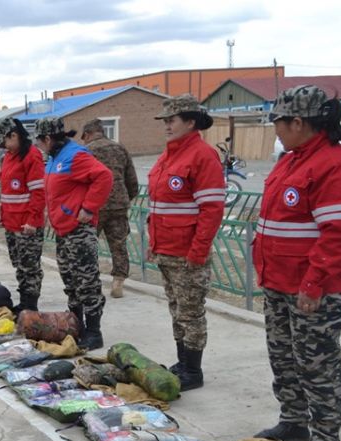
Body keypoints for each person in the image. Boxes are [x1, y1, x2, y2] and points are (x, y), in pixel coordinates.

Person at [252, 85, 341, 441]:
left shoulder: (335, 165)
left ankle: (325, 436)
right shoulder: (290, 160)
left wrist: (314, 283)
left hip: (310, 287)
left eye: (277, 122)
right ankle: (294, 421)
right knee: (283, 357)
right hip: (278, 281)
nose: (275, 130)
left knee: (317, 363)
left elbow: (338, 234)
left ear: (298, 122)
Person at [147, 94, 225, 391]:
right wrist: (153, 243)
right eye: (165, 121)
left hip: (188, 253)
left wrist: (198, 251)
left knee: (191, 313)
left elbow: (211, 210)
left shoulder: (202, 156)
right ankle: (182, 362)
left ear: (191, 122)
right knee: (176, 309)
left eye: (172, 120)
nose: (167, 126)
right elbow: (159, 205)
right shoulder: (168, 155)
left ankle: (193, 370)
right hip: (166, 250)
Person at [35, 116, 112, 350]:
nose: (38, 145)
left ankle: (94, 332)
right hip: (63, 230)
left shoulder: (75, 156)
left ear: (48, 139)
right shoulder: (54, 158)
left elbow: (104, 176)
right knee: (70, 281)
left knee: (86, 281)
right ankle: (77, 326)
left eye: (39, 141)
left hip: (78, 230)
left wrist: (88, 207)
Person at [0, 117, 46, 312]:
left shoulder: (32, 156)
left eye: (4, 142)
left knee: (29, 267)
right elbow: (7, 192)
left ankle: (30, 306)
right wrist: (3, 216)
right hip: (12, 223)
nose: (4, 147)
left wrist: (32, 220)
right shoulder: (8, 157)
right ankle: (24, 303)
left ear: (14, 136)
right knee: (19, 265)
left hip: (27, 225)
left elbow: (38, 193)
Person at [81, 118, 139, 298]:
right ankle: (118, 282)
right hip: (119, 205)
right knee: (118, 244)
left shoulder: (86, 151)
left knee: (88, 244)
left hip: (94, 206)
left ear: (88, 134)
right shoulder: (120, 148)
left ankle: (90, 282)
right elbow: (132, 179)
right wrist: (126, 198)